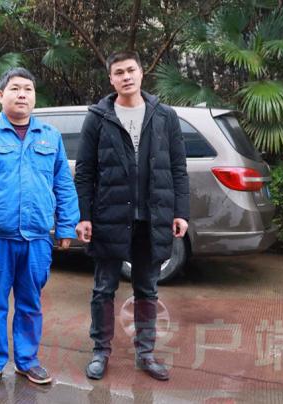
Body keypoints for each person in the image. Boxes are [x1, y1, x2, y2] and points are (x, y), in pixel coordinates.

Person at [0, 67, 80, 387]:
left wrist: (66, 226)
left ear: (34, 96)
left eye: (28, 89)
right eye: (15, 88)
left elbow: (63, 184)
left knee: (30, 303)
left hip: (37, 237)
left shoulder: (50, 136)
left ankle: (27, 361)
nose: (22, 94)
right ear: (2, 95)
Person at [74, 51, 190, 382]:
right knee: (104, 289)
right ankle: (101, 351)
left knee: (147, 289)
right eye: (119, 72)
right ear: (111, 79)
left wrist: (180, 212)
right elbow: (85, 171)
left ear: (141, 73)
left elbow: (178, 168)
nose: (126, 76)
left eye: (131, 70)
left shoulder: (164, 116)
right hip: (110, 216)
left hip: (152, 218)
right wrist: (84, 216)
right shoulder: (99, 118)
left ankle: (146, 353)